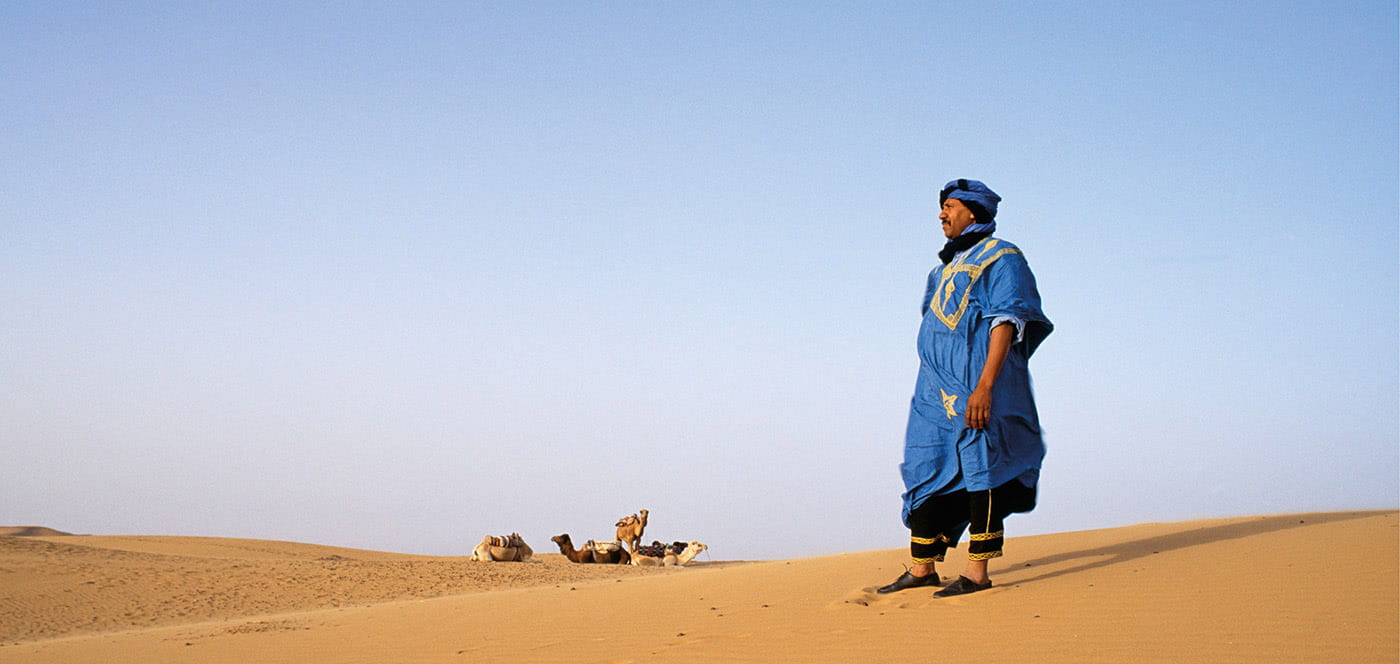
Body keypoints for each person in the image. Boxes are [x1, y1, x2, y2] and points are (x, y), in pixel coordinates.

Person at [877, 178, 1052, 598]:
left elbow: (1006, 320)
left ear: (973, 211)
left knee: (981, 464)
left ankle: (977, 572)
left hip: (974, 384)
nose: (942, 214)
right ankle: (922, 568)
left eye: (950, 206)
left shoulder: (1002, 257)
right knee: (924, 465)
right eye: (942, 207)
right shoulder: (941, 269)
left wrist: (985, 386)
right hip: (932, 391)